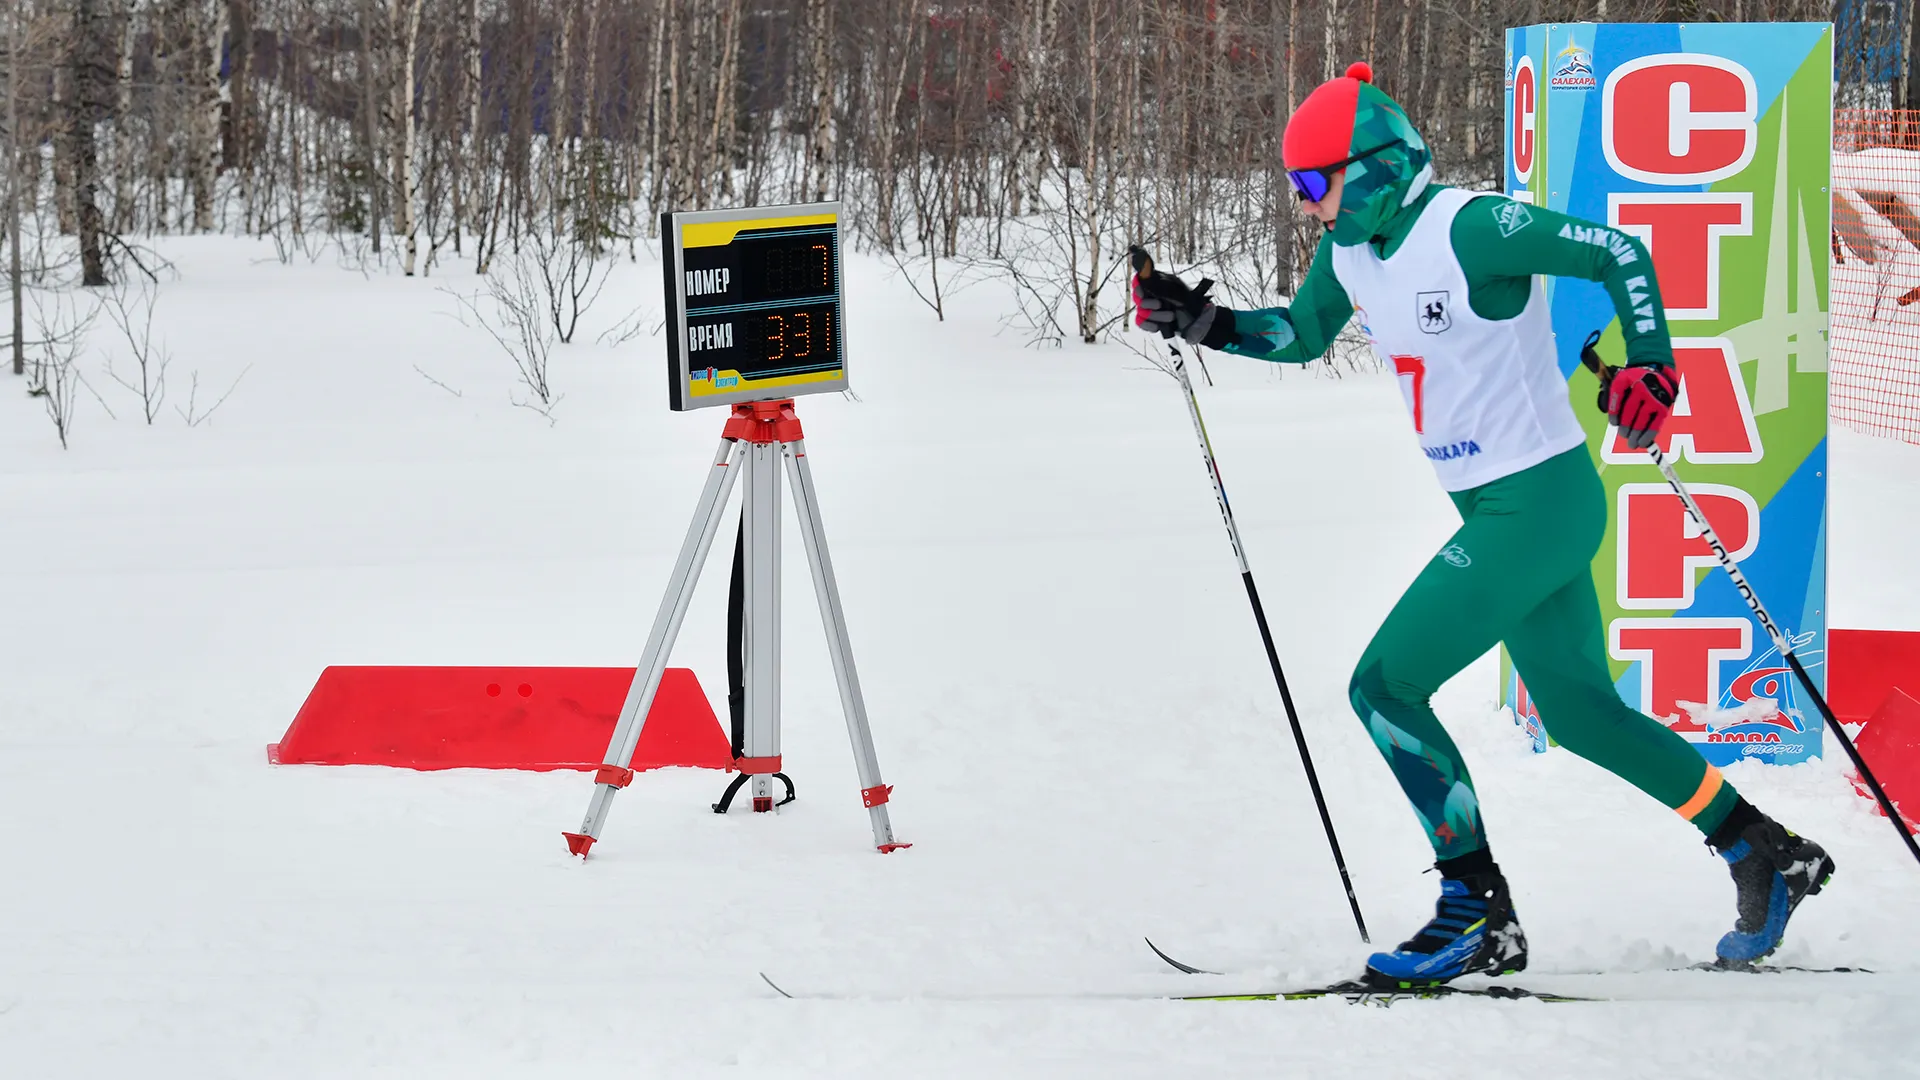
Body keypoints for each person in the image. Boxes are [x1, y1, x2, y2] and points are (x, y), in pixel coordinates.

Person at [1132, 62, 1834, 986]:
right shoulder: (1352, 250)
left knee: (1384, 687)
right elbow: (1301, 334)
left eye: (1317, 183)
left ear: (1377, 166)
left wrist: (1653, 367)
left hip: (1535, 505)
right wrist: (1207, 320)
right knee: (1583, 715)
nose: (1307, 206)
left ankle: (1476, 910)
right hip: (1495, 507)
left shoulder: (1470, 225)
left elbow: (1619, 252)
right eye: (1298, 188)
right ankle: (1761, 849)